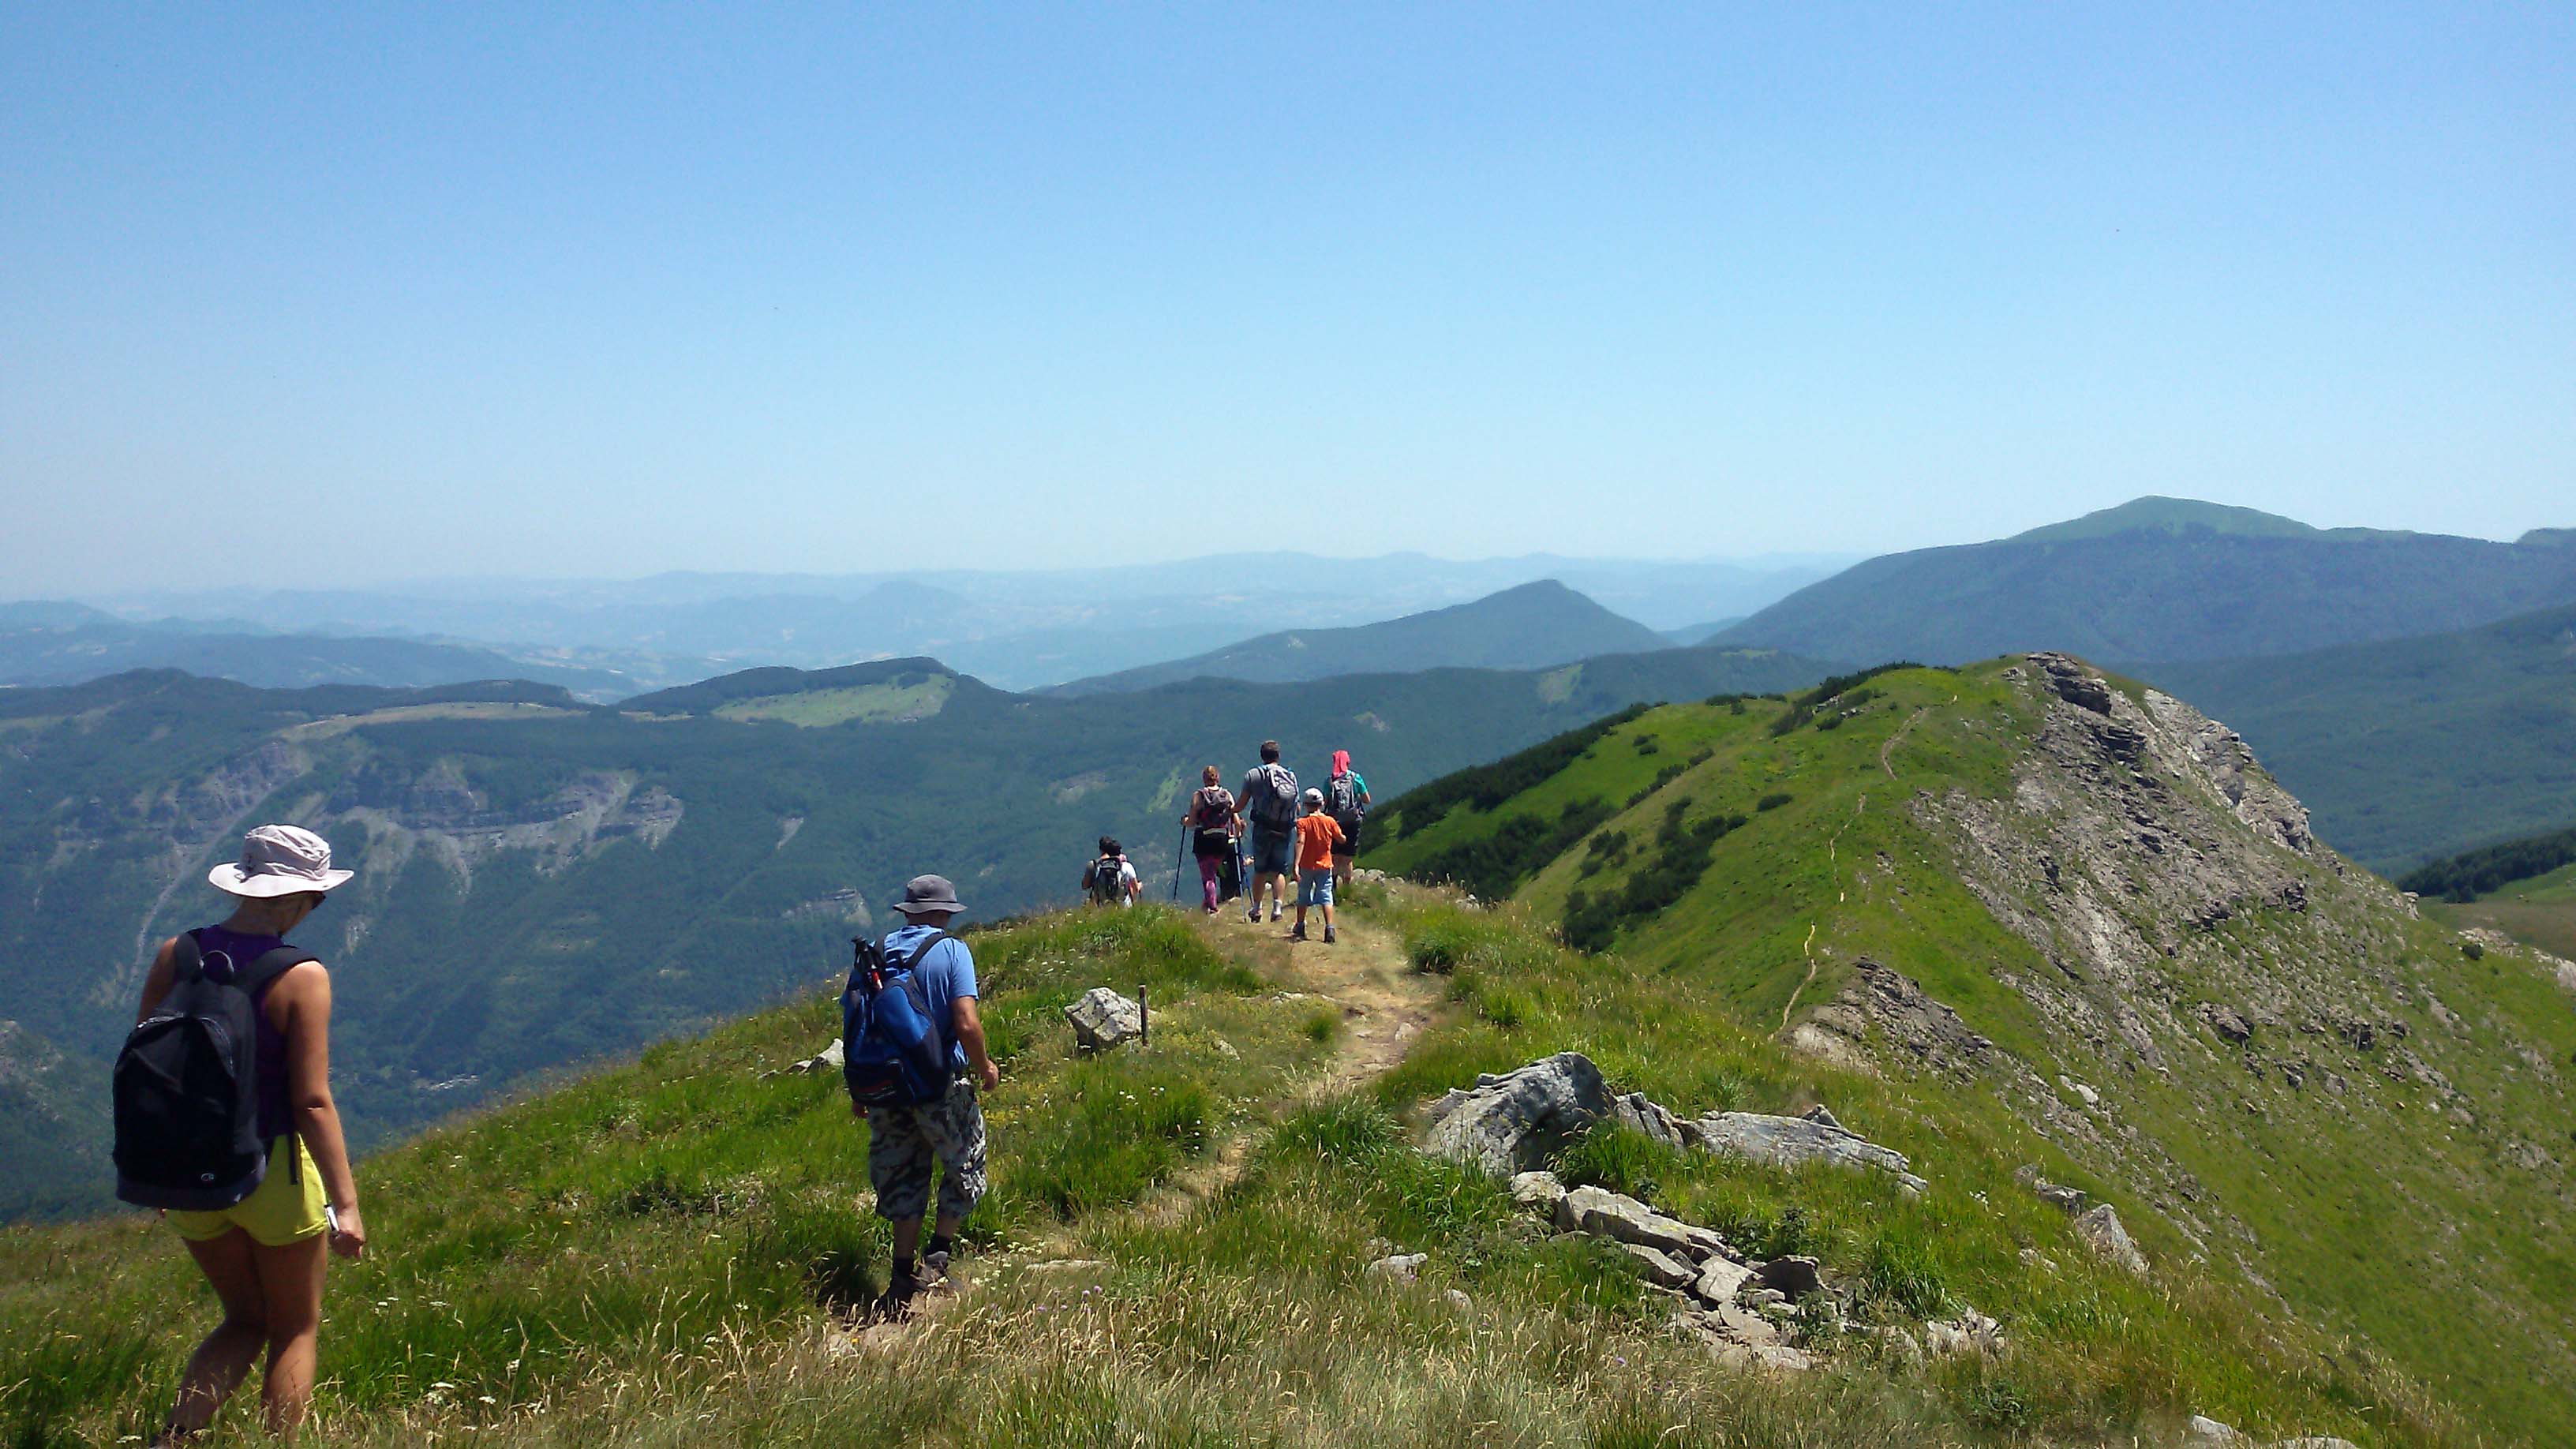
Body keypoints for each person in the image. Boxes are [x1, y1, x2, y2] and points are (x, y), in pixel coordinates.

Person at [136, 825, 367, 1443]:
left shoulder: (176, 952)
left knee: (243, 1319)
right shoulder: (302, 976)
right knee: (294, 1326)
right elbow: (312, 1101)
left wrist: (153, 1163)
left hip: (186, 1173)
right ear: (297, 899)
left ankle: (174, 1439)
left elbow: (146, 1066)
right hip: (270, 1170)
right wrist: (346, 1205)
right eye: (317, 898)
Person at [856, 874, 999, 1320]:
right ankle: (937, 1260)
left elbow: (857, 1024)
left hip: (885, 1088)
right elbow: (966, 1022)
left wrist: (858, 1091)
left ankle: (900, 1280)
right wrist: (985, 1067)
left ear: (908, 912)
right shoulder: (953, 952)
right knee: (966, 1162)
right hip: (939, 1085)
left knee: (903, 1175)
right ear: (944, 914)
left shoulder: (875, 955)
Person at [1239, 740, 1300, 924]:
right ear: (1278, 756)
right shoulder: (1289, 775)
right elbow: (1295, 807)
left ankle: (1257, 908)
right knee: (1278, 870)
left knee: (1260, 869)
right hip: (1284, 828)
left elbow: (1242, 803)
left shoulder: (1254, 775)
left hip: (1263, 827)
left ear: (1262, 756)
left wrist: (1231, 812)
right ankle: (1277, 908)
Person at [1290, 788, 1346, 944]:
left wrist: (1296, 864)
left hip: (1307, 865)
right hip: (1325, 864)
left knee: (1303, 895)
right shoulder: (1330, 821)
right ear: (1322, 803)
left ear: (1306, 805)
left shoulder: (1302, 822)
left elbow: (1301, 841)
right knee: (1326, 895)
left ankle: (1300, 926)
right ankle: (1329, 928)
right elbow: (1341, 839)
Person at [1181, 766, 1237, 915]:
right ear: (1217, 777)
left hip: (1203, 839)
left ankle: (1212, 908)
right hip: (1222, 839)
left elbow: (1192, 822)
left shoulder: (1199, 796)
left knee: (1208, 876)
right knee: (1213, 871)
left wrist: (1184, 821)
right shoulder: (1227, 795)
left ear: (1204, 779)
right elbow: (1235, 819)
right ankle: (1206, 905)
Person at [1324, 749, 1371, 891]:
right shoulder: (1356, 778)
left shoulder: (1329, 780)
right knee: (1348, 857)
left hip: (1334, 821)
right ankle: (1347, 889)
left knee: (1335, 855)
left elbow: (1325, 803)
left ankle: (1333, 887)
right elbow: (1367, 800)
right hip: (1353, 821)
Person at [1080, 837, 1140, 908]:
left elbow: (1085, 886)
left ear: (1100, 849)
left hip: (1102, 907)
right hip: (1123, 906)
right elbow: (1136, 888)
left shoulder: (1094, 865)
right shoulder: (1125, 866)